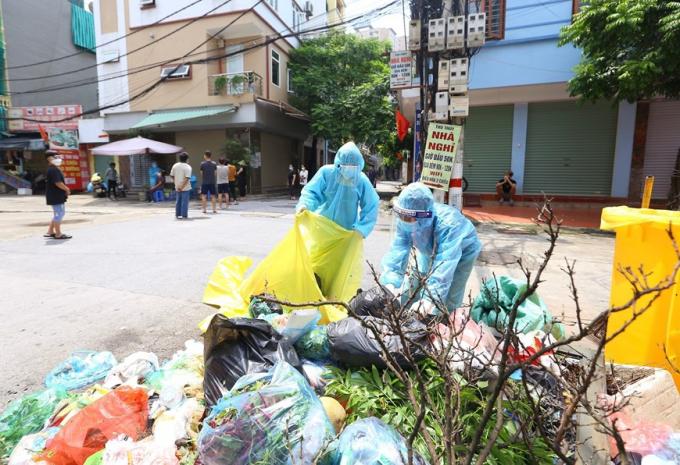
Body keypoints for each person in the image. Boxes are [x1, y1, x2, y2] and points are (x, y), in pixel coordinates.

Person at [380, 182, 481, 316]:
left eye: (410, 218)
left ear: (424, 216)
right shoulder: (405, 219)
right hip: (429, 251)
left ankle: (445, 322)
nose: (405, 220)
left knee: (448, 296)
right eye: (402, 215)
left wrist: (430, 300)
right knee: (413, 285)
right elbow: (399, 249)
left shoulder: (449, 225)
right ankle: (404, 316)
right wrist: (390, 282)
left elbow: (444, 266)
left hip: (463, 251)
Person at [296, 141, 380, 238]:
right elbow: (311, 192)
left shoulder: (361, 180)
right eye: (345, 167)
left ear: (359, 167)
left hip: (345, 232)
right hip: (322, 226)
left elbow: (371, 205)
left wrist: (362, 229)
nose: (348, 172)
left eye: (353, 168)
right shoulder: (327, 173)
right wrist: (305, 205)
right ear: (338, 164)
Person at [44, 151, 72, 240]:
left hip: (56, 195)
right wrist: (67, 189)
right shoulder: (53, 170)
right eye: (56, 157)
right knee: (59, 213)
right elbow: (58, 183)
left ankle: (50, 231)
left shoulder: (53, 168)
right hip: (55, 195)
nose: (58, 159)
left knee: (59, 213)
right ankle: (58, 234)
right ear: (49, 158)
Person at [170, 152, 192, 219]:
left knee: (178, 201)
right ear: (187, 159)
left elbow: (172, 175)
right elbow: (187, 178)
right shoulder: (188, 167)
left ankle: (178, 214)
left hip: (177, 186)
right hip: (185, 187)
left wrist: (175, 183)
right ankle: (184, 215)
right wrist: (182, 187)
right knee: (184, 201)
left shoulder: (175, 165)